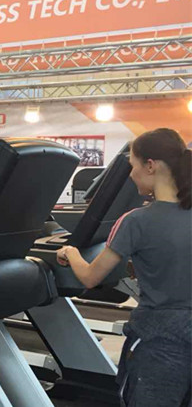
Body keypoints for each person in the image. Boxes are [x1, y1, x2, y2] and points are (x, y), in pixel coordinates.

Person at [56, 128, 191, 407]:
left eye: (132, 165)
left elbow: (90, 277)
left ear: (150, 165)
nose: (130, 174)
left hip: (159, 341)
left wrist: (71, 252)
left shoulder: (135, 221)